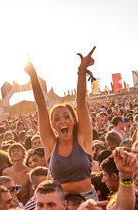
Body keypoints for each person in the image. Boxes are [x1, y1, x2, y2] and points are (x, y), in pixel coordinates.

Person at [26, 47, 97, 200]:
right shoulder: (51, 145)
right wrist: (33, 76)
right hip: (60, 204)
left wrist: (82, 71)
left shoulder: (83, 139)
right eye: (57, 119)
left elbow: (81, 102)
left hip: (87, 200)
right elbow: (41, 107)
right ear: (52, 125)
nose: (62, 121)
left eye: (66, 117)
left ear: (74, 120)